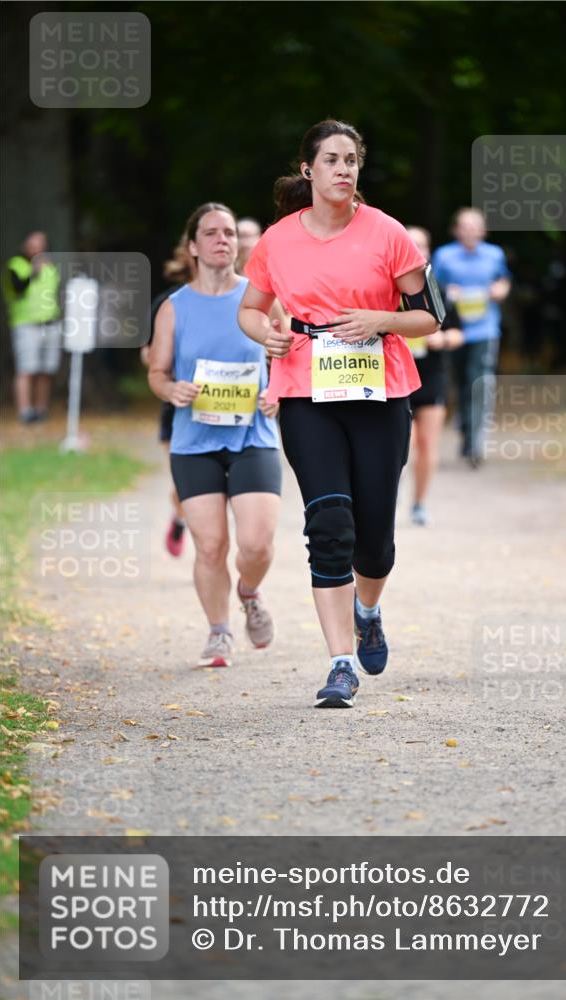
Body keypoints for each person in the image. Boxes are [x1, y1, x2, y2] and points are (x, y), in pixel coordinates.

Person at [238, 119, 441, 708]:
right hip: (306, 390)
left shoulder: (388, 233)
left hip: (380, 391)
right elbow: (251, 309)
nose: (343, 169)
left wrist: (382, 319)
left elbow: (430, 316)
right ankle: (340, 663)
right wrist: (266, 335)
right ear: (308, 169)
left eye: (351, 160)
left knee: (373, 543)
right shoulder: (278, 239)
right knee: (329, 526)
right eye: (331, 159)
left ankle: (367, 611)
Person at [148, 202, 282, 667]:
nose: (223, 239)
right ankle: (219, 632)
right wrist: (172, 389)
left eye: (228, 232)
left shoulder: (261, 297)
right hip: (194, 443)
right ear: (193, 246)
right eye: (211, 232)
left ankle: (249, 591)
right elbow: (157, 373)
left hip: (253, 436)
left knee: (257, 544)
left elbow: (291, 354)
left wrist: (279, 391)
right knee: (209, 545)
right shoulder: (174, 308)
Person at [431, 208, 511, 467]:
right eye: (465, 226)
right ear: (456, 230)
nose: (470, 231)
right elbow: (431, 288)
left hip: (485, 330)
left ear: (483, 231)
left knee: (480, 383)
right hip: (454, 331)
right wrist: (448, 292)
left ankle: (476, 442)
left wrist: (500, 290)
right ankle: (465, 428)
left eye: (474, 226)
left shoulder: (494, 254)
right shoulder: (444, 256)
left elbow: (503, 281)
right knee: (458, 384)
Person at [406, 226, 464, 526]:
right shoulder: (385, 290)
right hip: (396, 380)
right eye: (410, 244)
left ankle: (419, 503)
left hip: (431, 377)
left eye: (421, 245)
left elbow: (458, 333)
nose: (415, 251)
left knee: (428, 445)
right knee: (404, 445)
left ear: (428, 252)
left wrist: (442, 339)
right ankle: (383, 502)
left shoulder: (438, 290)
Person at [141, 235, 195, 557]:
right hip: (179, 406)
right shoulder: (168, 302)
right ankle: (180, 517)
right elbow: (147, 355)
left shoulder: (240, 298)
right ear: (187, 254)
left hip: (230, 405)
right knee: (185, 482)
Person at [3, 231, 62, 423]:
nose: (37, 248)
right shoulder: (15, 266)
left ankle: (41, 410)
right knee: (26, 369)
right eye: (33, 244)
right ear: (25, 245)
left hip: (50, 324)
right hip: (26, 325)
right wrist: (34, 271)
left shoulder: (51, 267)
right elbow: (17, 288)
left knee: (46, 370)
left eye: (41, 244)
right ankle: (25, 412)